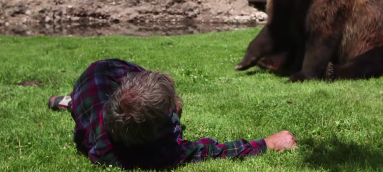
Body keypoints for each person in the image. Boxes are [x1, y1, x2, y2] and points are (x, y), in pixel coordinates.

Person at [48, 58, 298, 170]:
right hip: (96, 83)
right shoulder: (156, 154)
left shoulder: (104, 81)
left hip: (90, 83)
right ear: (158, 132)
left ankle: (69, 102)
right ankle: (69, 101)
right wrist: (267, 143)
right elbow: (209, 151)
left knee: (84, 111)